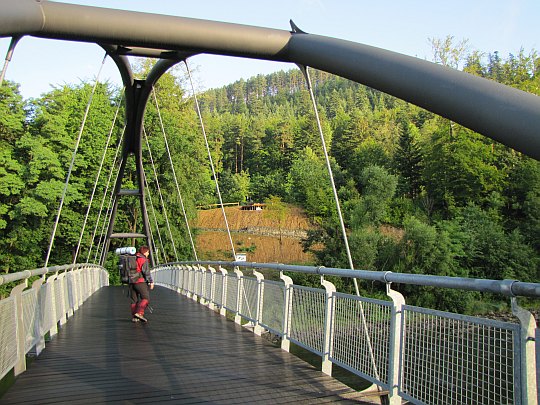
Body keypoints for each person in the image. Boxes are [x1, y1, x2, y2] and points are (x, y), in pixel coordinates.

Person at [130, 245, 154, 323]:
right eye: (148, 252)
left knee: (134, 300)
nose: (148, 254)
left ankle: (134, 317)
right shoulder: (143, 260)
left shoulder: (133, 258)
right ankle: (140, 313)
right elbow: (146, 272)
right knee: (146, 298)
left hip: (131, 281)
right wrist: (151, 281)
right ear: (145, 252)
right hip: (140, 281)